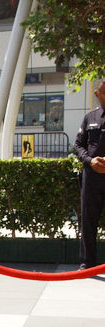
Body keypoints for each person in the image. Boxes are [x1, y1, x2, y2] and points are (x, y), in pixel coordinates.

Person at [74, 80, 105, 269]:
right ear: (97, 94)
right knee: (88, 221)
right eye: (104, 92)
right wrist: (89, 160)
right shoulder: (89, 117)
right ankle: (88, 263)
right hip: (92, 177)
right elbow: (78, 145)